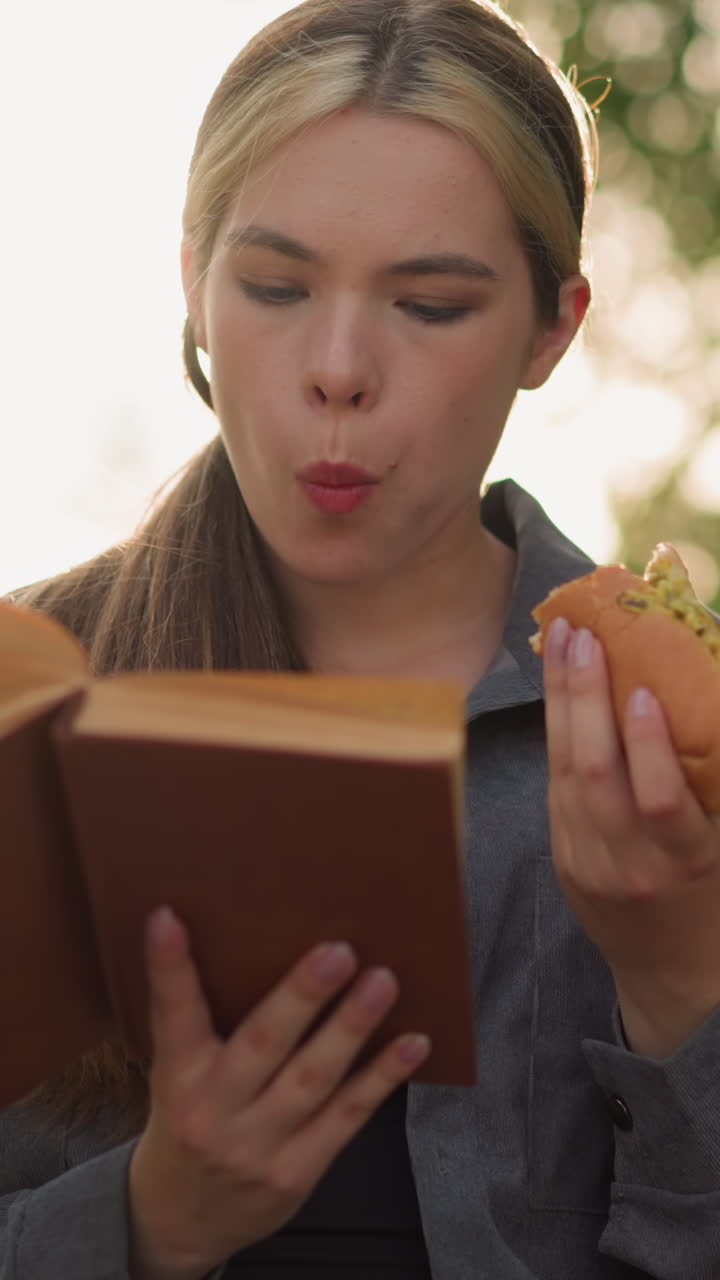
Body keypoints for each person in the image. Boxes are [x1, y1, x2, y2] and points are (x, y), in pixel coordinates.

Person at [2, 0, 719, 1276]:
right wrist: (148, 1218)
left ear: (553, 328)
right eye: (275, 286)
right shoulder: (31, 694)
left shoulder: (677, 743)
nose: (336, 368)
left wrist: (681, 986)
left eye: (431, 304)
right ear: (193, 282)